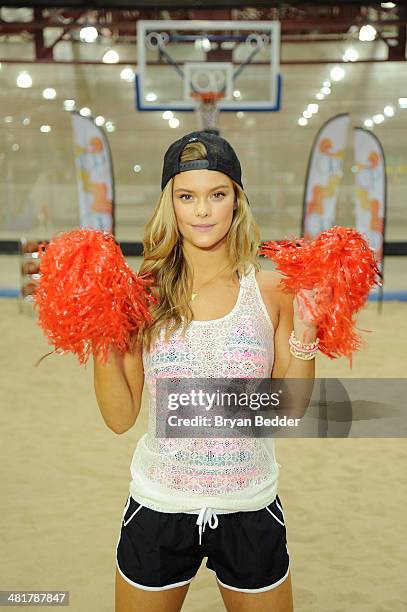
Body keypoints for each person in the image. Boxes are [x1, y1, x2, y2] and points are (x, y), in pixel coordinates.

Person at [93, 130, 318, 612]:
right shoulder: (141, 295)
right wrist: (100, 334)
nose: (201, 211)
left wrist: (308, 331)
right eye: (187, 196)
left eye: (217, 195)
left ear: (236, 202)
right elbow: (118, 418)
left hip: (250, 505)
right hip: (159, 505)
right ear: (169, 204)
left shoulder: (271, 290)